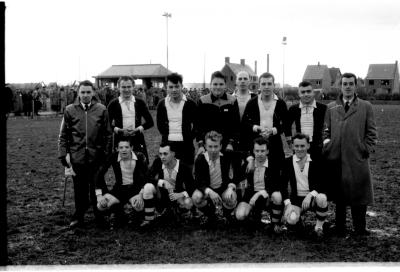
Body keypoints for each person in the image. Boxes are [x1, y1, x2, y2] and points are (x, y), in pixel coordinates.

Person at [323, 73, 377, 236]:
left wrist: (364, 149)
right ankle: (340, 227)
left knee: (359, 192)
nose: (347, 86)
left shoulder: (366, 106)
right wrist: (328, 146)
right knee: (339, 194)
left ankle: (360, 227)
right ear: (340, 86)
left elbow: (372, 133)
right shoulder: (331, 107)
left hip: (356, 157)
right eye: (344, 84)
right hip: (336, 157)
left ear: (355, 86)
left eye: (350, 84)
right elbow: (325, 131)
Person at [58, 80, 112, 228]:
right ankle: (78, 215)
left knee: (97, 186)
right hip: (77, 157)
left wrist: (106, 155)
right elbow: (64, 135)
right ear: (78, 93)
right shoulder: (70, 110)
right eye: (83, 92)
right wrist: (64, 155)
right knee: (79, 188)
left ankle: (99, 215)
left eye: (88, 92)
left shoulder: (101, 109)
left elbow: (108, 135)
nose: (86, 95)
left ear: (93, 92)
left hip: (96, 156)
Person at [192, 131, 244, 227]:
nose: (213, 150)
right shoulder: (200, 159)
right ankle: (210, 215)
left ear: (220, 146)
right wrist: (209, 191)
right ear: (205, 146)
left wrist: (231, 186)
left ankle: (226, 215)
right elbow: (198, 181)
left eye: (216, 146)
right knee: (196, 197)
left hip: (223, 188)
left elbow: (244, 155)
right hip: (208, 189)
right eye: (210, 146)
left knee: (231, 196)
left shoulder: (227, 155)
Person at [281, 133, 328, 238]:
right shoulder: (288, 162)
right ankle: (298, 222)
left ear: (308, 146)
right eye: (296, 146)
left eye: (302, 146)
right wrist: (288, 204)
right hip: (296, 199)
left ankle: (319, 228)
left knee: (322, 198)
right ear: (292, 146)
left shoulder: (316, 161)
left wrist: (311, 194)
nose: (299, 149)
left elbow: (323, 182)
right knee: (291, 220)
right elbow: (282, 185)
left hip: (312, 198)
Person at [94, 137, 148, 229]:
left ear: (131, 148)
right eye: (121, 147)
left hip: (134, 189)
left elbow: (147, 177)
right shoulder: (113, 156)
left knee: (139, 206)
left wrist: (141, 194)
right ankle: (118, 213)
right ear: (117, 149)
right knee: (101, 206)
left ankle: (134, 216)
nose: (124, 150)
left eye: (126, 147)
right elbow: (99, 174)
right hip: (119, 189)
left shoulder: (139, 157)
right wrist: (99, 195)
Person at [235, 137, 284, 233]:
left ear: (268, 151)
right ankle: (252, 217)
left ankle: (275, 224)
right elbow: (237, 155)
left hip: (267, 194)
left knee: (277, 196)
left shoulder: (273, 164)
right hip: (251, 193)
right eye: (257, 151)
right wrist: (249, 159)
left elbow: (277, 185)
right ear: (253, 151)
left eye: (262, 151)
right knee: (240, 215)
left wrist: (259, 193)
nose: (260, 154)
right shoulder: (248, 164)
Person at [141, 141, 195, 228]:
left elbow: (192, 187)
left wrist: (181, 194)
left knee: (187, 201)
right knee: (148, 187)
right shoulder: (158, 162)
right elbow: (146, 177)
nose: (162, 157)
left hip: (176, 195)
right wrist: (162, 182)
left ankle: (184, 216)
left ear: (173, 154)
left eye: (165, 154)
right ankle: (149, 219)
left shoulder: (183, 166)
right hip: (162, 195)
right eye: (160, 154)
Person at [241, 72, 291, 165]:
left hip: (275, 143)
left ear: (274, 85)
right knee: (256, 173)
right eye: (263, 84)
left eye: (269, 84)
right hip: (256, 143)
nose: (266, 87)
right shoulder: (252, 103)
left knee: (275, 172)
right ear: (259, 85)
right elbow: (244, 123)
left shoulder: (281, 103)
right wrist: (255, 127)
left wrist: (274, 130)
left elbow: (286, 124)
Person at [107, 76, 154, 160]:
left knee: (140, 168)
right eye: (123, 87)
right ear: (118, 88)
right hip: (120, 141)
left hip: (137, 140)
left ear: (133, 87)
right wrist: (119, 130)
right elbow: (107, 124)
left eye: (129, 87)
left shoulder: (140, 102)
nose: (126, 89)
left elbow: (150, 122)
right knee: (120, 168)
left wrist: (137, 129)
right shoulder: (113, 104)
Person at [156, 73, 197, 166]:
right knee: (169, 176)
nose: (174, 90)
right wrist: (168, 138)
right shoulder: (161, 104)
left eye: (176, 86)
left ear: (182, 86)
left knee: (187, 176)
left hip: (186, 147)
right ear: (166, 87)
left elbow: (197, 125)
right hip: (168, 146)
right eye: (170, 87)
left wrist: (189, 138)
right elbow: (160, 125)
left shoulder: (190, 104)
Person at [196, 71, 240, 153]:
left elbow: (236, 125)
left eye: (221, 84)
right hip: (208, 146)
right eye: (215, 84)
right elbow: (198, 126)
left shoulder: (232, 100)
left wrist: (231, 143)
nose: (218, 87)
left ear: (225, 85)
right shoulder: (202, 101)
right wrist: (201, 145)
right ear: (210, 85)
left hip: (227, 146)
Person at [288, 81, 327, 160]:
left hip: (317, 147)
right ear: (299, 94)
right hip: (300, 146)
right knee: (300, 170)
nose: (306, 94)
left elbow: (329, 126)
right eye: (303, 92)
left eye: (308, 91)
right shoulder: (293, 109)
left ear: (313, 92)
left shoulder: (323, 108)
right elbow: (286, 125)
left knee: (316, 170)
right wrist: (290, 141)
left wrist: (326, 141)